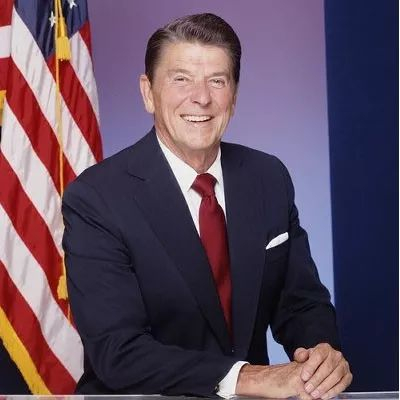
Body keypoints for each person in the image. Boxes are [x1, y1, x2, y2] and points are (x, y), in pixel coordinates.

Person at [62, 13, 352, 398]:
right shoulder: (97, 197)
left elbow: (300, 303)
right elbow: (119, 351)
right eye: (181, 79)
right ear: (148, 93)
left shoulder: (268, 177)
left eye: (217, 80)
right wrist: (248, 378)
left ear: (234, 95)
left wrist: (319, 356)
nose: (201, 97)